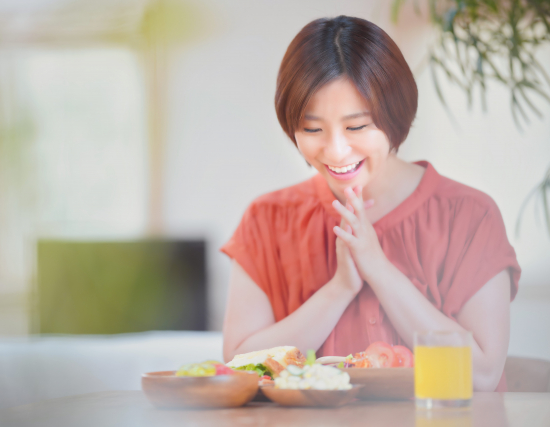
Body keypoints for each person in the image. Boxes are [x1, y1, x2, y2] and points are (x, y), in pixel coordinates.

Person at [221, 16, 520, 392]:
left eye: (357, 127)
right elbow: (237, 371)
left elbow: (482, 375)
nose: (335, 150)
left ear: (395, 114)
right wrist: (339, 289)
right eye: (312, 129)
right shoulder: (266, 221)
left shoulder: (470, 217)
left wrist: (378, 269)